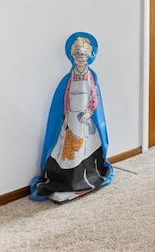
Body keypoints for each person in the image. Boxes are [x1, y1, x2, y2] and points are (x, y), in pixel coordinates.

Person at [29, 32, 113, 201]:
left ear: (89, 55)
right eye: (77, 54)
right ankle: (65, 179)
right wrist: (66, 115)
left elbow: (94, 97)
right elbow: (66, 98)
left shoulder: (90, 77)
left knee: (84, 147)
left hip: (84, 118)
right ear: (72, 55)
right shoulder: (69, 78)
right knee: (64, 150)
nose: (80, 57)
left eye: (84, 54)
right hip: (72, 117)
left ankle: (82, 178)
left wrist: (89, 112)